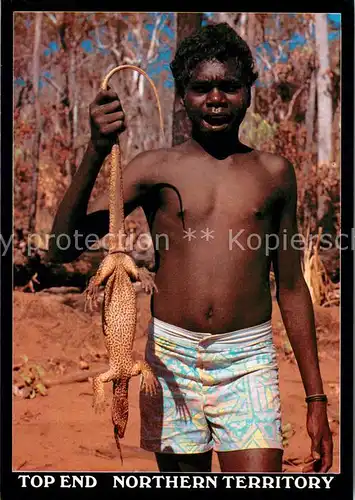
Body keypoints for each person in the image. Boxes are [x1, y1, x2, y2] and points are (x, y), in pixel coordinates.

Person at [48, 23, 333, 473]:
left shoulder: (274, 174)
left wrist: (316, 399)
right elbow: (62, 247)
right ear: (181, 94)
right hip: (171, 360)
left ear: (249, 91)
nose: (216, 99)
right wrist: (96, 150)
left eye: (229, 87)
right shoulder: (154, 167)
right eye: (201, 88)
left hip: (248, 360)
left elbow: (293, 287)